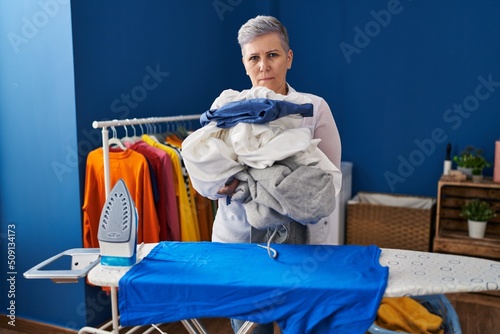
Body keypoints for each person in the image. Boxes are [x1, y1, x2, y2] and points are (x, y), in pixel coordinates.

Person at [184, 15, 342, 334]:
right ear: (244, 64)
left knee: (306, 325)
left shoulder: (312, 107)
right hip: (239, 243)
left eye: (272, 55)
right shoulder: (227, 109)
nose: (263, 66)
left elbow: (326, 183)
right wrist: (228, 186)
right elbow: (208, 176)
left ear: (289, 58)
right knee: (250, 329)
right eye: (254, 57)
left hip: (304, 250)